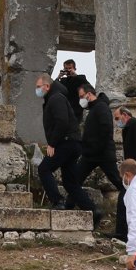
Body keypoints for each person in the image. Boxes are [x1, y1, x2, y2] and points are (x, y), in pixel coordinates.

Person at [35, 73, 93, 215]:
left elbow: (62, 122)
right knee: (70, 182)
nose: (36, 90)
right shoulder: (55, 98)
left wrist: (52, 144)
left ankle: (57, 201)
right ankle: (92, 210)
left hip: (66, 142)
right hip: (72, 143)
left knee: (44, 169)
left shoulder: (55, 98)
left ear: (47, 86)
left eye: (38, 87)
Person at [74, 83, 125, 232]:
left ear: (89, 95)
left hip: (101, 154)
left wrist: (94, 149)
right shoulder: (94, 109)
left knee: (118, 182)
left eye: (82, 96)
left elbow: (106, 131)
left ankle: (131, 200)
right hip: (91, 154)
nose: (81, 100)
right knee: (73, 181)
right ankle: (77, 208)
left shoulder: (101, 108)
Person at [58, 58, 91, 123]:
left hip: (76, 110)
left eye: (70, 68)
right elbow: (54, 88)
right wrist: (58, 77)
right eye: (66, 69)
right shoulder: (63, 81)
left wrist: (75, 76)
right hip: (65, 110)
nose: (68, 70)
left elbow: (88, 87)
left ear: (74, 69)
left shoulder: (80, 78)